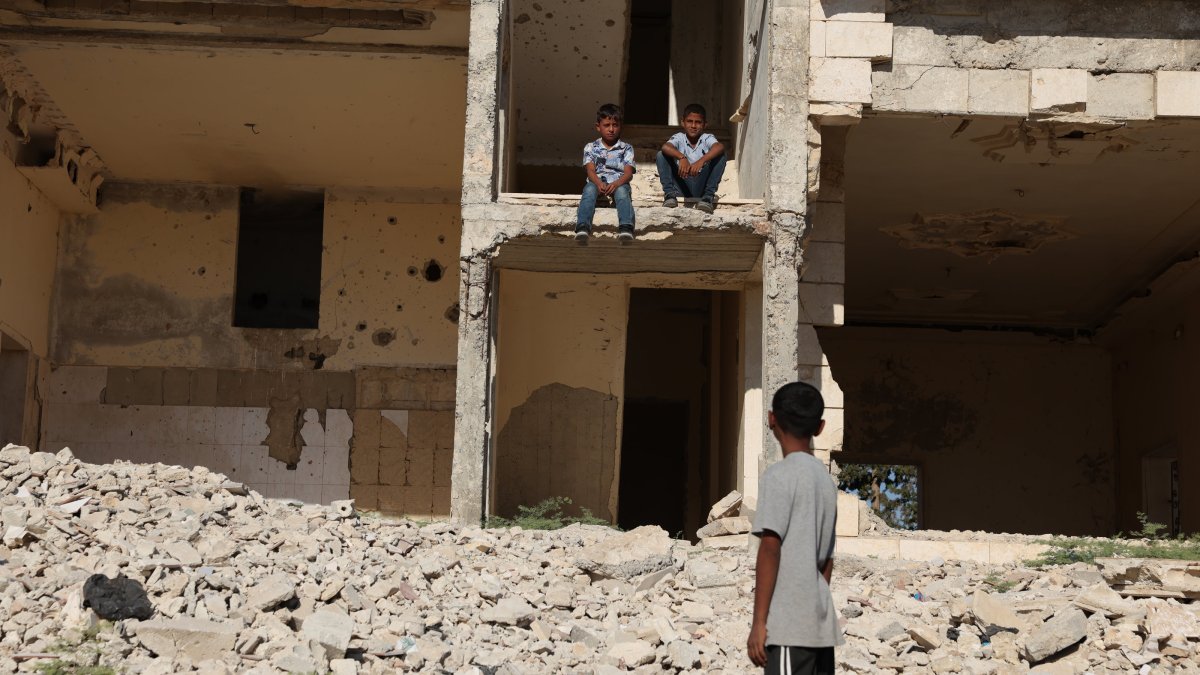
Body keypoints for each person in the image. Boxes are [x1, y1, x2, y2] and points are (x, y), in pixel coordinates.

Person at [747, 382, 840, 675]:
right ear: (820, 427)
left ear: (771, 418)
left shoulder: (778, 476)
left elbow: (770, 547)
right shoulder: (826, 482)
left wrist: (760, 622)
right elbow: (827, 561)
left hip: (789, 628)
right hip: (820, 625)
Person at [577, 103, 636, 244]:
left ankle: (626, 227)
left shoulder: (626, 148)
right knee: (589, 191)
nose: (611, 129)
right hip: (597, 182)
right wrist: (597, 183)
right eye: (606, 125)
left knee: (622, 193)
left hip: (619, 182)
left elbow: (628, 173)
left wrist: (616, 184)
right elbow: (590, 170)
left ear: (620, 126)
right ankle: (582, 226)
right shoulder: (591, 147)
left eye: (615, 125)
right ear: (598, 126)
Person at [656, 103, 727, 214]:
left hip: (701, 185)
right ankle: (669, 194)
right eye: (689, 121)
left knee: (721, 155)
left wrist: (701, 161)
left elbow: (719, 147)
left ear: (705, 125)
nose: (693, 126)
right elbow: (666, 147)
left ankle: (708, 197)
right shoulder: (679, 137)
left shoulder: (706, 138)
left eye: (698, 122)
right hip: (681, 185)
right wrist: (682, 157)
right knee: (661, 155)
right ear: (682, 123)